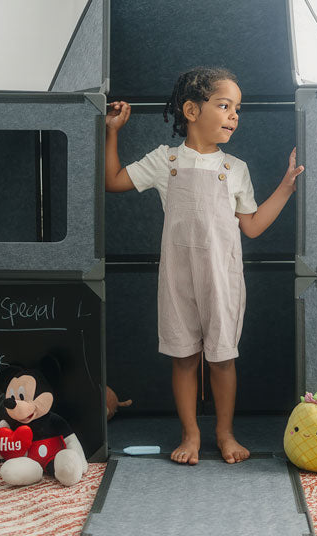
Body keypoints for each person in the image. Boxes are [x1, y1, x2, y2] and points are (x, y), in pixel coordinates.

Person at [104, 67, 304, 465]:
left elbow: (252, 226)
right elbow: (113, 180)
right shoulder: (167, 160)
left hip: (222, 279)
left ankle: (225, 433)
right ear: (192, 110)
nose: (234, 115)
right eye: (225, 105)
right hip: (178, 279)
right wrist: (113, 132)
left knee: (222, 358)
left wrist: (286, 185)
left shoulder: (235, 169)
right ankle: (191, 434)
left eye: (238, 109)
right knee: (184, 358)